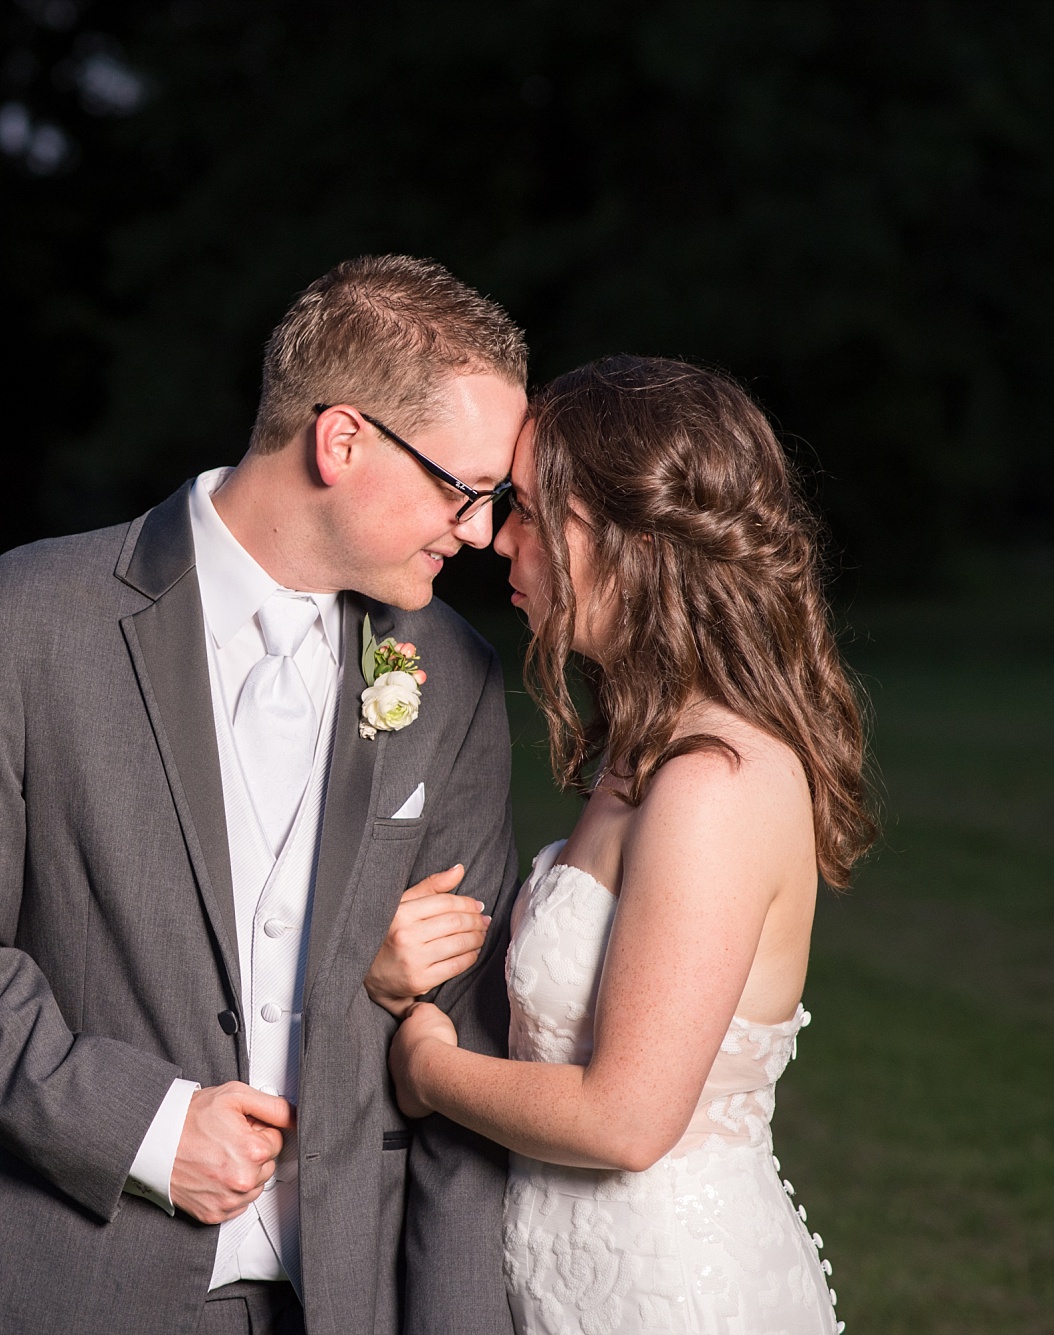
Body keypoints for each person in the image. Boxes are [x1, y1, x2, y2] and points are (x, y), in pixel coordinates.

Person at [0, 255, 525, 1335]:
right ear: (340, 440)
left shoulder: (450, 677)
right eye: (463, 486)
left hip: (344, 1298)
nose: (482, 530)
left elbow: (463, 1038)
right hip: (65, 1280)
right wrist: (144, 1130)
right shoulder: (24, 620)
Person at [373, 356, 878, 1335]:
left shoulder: (713, 782)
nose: (496, 543)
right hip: (565, 1282)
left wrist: (424, 1066)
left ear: (624, 533)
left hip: (669, 1295)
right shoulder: (644, 754)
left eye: (524, 510)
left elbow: (625, 1121)